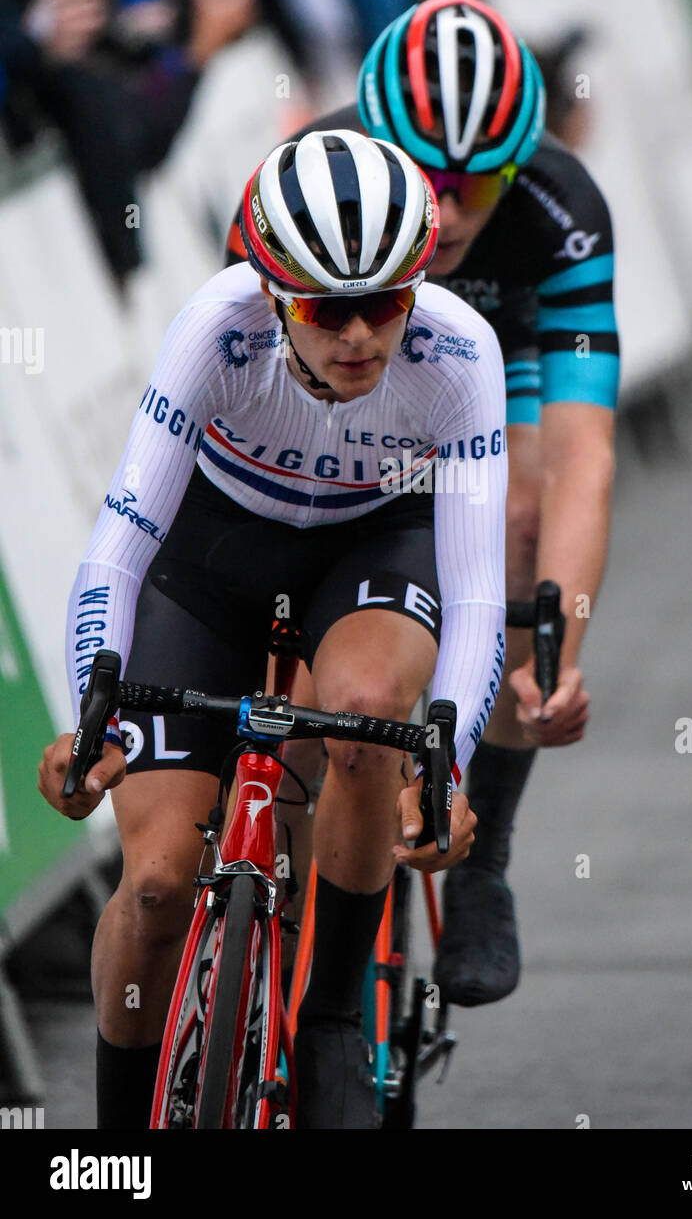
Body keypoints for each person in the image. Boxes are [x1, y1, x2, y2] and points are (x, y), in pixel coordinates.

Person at [38, 129, 508, 1129]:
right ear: (275, 296)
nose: (361, 337)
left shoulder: (460, 353)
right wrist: (93, 715)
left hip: (370, 549)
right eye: (329, 309)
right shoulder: (216, 329)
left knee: (369, 713)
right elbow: (121, 538)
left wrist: (451, 761)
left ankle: (334, 1012)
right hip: (212, 559)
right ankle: (119, 1141)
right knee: (160, 882)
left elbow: (474, 591)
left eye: (385, 302)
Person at [227, 0, 618, 1007]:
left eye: (482, 179)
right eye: (429, 176)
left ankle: (482, 855)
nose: (453, 204)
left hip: (496, 349)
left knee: (521, 509)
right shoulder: (310, 182)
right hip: (349, 365)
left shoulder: (557, 210)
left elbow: (586, 456)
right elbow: (254, 414)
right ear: (374, 143)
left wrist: (553, 657)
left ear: (522, 162)